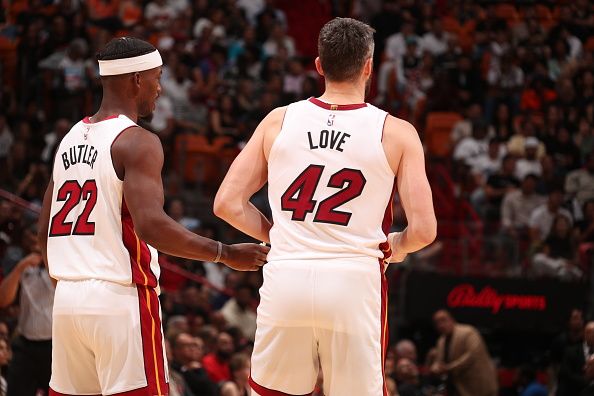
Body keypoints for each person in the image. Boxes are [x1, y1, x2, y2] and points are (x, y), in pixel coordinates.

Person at [214, 18, 437, 396]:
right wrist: (395, 247)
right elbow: (424, 231)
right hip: (353, 282)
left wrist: (279, 234)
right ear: (369, 66)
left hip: (287, 277)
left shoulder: (278, 120)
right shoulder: (396, 132)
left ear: (319, 65)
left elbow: (227, 204)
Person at [37, 37, 269, 396]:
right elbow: (152, 226)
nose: (159, 89)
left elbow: (44, 232)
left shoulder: (67, 139)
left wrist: (75, 283)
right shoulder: (137, 141)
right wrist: (224, 253)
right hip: (119, 297)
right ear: (135, 80)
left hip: (68, 298)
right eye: (156, 77)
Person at [0, 250, 53, 396]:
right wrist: (19, 268)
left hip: (53, 346)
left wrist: (49, 263)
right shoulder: (24, 265)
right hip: (25, 345)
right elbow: (3, 300)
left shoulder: (59, 266)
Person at [430, 310, 498, 396]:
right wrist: (435, 368)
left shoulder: (468, 332)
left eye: (443, 320)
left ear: (452, 320)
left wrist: (449, 368)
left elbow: (472, 355)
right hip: (459, 387)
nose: (441, 325)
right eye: (437, 323)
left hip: (478, 385)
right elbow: (438, 361)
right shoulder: (441, 341)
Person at [558, 321, 594, 396]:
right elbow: (566, 375)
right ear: (585, 334)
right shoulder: (570, 352)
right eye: (591, 332)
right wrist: (585, 380)